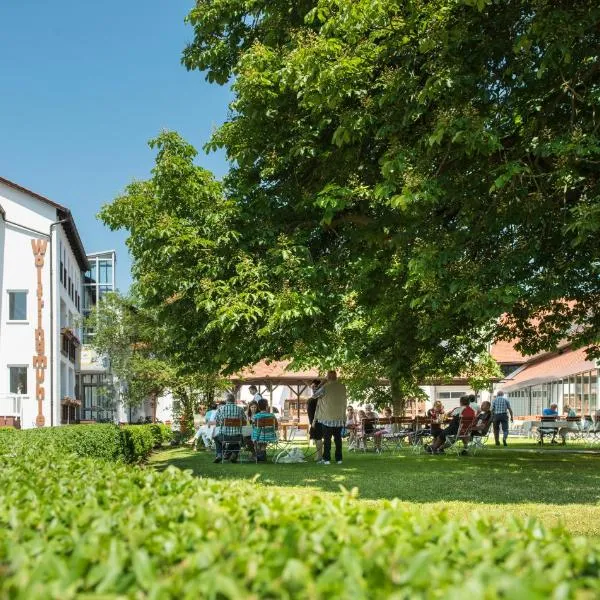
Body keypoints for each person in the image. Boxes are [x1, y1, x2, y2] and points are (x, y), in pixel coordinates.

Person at [314, 370, 347, 464]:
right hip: (339, 417)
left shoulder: (325, 387)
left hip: (327, 418)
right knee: (338, 440)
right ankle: (339, 459)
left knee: (327, 439)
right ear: (336, 377)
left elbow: (315, 395)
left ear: (327, 377)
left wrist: (321, 384)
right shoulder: (343, 387)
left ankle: (326, 459)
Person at [213, 392, 247, 463]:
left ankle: (219, 455)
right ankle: (234, 454)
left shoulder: (221, 409)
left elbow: (217, 421)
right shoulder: (240, 409)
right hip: (237, 436)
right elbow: (245, 422)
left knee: (216, 438)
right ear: (234, 400)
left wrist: (223, 423)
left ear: (226, 400)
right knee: (240, 439)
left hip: (224, 436)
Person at [307, 379, 324, 462]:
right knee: (317, 438)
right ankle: (319, 455)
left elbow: (317, 410)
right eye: (312, 387)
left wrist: (314, 421)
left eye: (314, 386)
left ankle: (319, 456)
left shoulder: (319, 398)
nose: (313, 388)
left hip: (317, 420)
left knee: (318, 438)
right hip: (314, 421)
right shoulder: (314, 398)